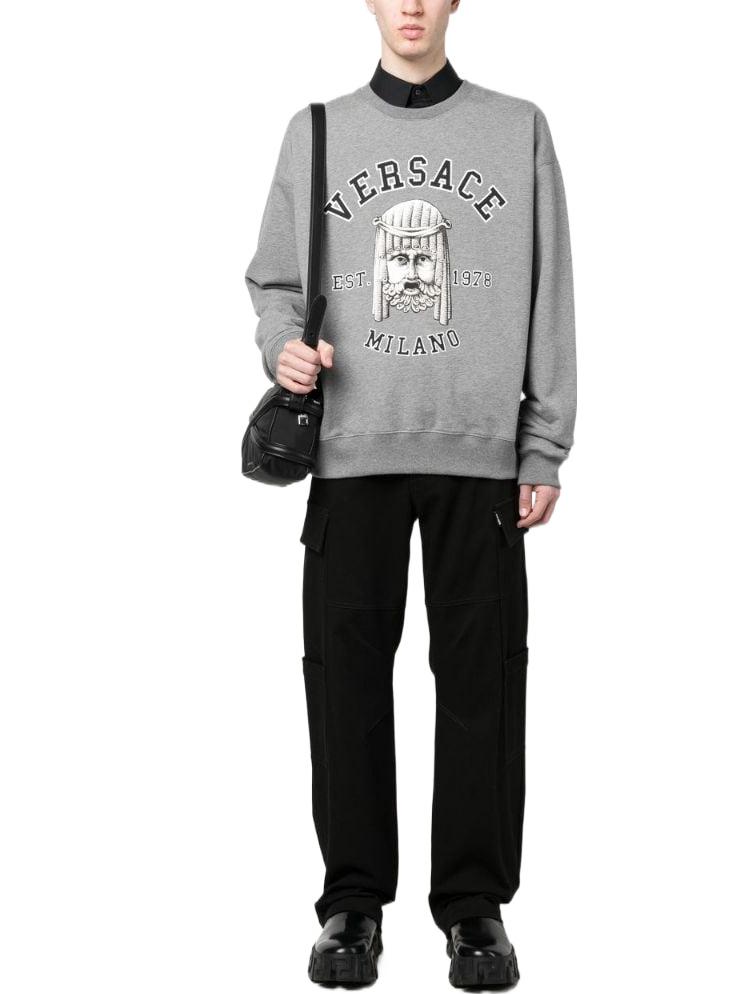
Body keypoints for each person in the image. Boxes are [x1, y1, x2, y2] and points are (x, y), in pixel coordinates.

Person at [244, 0, 576, 986]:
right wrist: (284, 347)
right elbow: (275, 282)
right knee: (344, 682)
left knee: (483, 685)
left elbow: (551, 289)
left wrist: (542, 444)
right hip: (351, 452)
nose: (413, 5)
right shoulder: (317, 131)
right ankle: (351, 905)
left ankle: (474, 911)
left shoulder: (517, 128)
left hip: (480, 456)